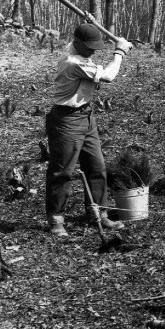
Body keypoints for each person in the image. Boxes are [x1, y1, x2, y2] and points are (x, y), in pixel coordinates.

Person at [45, 22, 133, 238]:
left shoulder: (76, 48)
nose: (94, 51)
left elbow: (84, 38)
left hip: (86, 115)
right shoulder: (72, 61)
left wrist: (89, 22)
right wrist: (120, 51)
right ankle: (56, 221)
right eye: (90, 46)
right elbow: (109, 76)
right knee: (62, 172)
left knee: (96, 167)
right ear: (76, 43)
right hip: (66, 119)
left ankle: (98, 214)